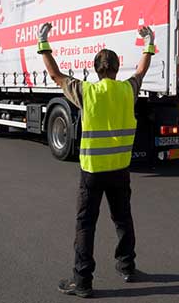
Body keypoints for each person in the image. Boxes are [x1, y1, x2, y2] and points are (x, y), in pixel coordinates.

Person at [37, 22, 156, 298]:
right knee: (123, 218)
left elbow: (55, 75)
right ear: (116, 67)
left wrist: (43, 42)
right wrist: (149, 42)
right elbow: (141, 70)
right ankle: (127, 267)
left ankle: (83, 282)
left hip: (92, 171)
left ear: (94, 69)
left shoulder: (86, 92)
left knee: (86, 224)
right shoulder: (128, 90)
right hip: (120, 169)